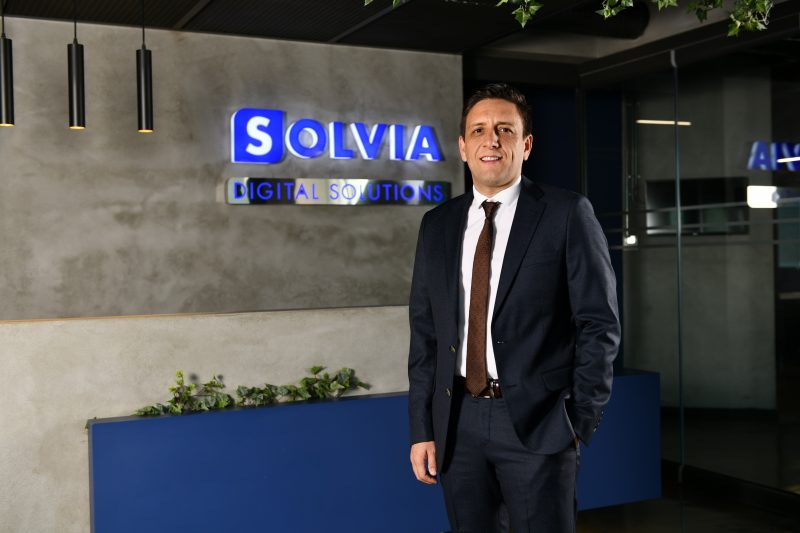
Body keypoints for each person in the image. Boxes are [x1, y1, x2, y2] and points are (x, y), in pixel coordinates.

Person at [407, 83, 620, 532]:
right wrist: (422, 428)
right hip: (457, 423)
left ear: (526, 145)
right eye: (479, 130)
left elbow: (598, 323)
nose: (492, 140)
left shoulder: (566, 213)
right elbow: (425, 333)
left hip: (539, 423)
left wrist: (578, 419)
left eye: (505, 129)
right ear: (463, 147)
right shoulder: (437, 225)